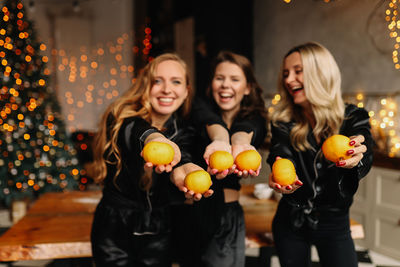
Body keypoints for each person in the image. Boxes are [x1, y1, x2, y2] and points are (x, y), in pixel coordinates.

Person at [90, 53, 211, 267]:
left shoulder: (183, 130)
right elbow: (134, 130)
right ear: (146, 86)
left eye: (176, 82)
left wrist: (188, 170)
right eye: (158, 81)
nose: (167, 89)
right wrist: (153, 138)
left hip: (159, 225)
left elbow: (182, 159)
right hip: (114, 225)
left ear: (186, 92)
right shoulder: (120, 117)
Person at [267, 42, 374, 267]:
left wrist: (357, 159)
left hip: (335, 223)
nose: (288, 80)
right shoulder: (283, 121)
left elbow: (364, 148)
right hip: (291, 219)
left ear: (320, 73)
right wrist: (279, 166)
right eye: (286, 73)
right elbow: (280, 151)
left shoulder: (353, 117)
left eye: (298, 71)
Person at [174, 51, 268, 267]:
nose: (226, 85)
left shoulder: (255, 117)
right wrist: (220, 141)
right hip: (188, 214)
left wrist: (240, 144)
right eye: (220, 78)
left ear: (247, 88)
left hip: (226, 217)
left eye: (235, 79)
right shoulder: (199, 107)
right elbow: (211, 122)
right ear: (211, 84)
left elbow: (246, 130)